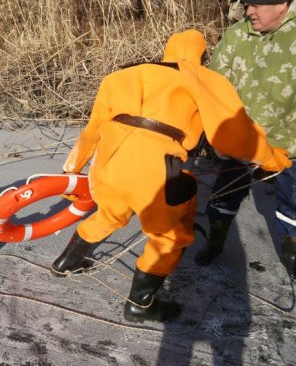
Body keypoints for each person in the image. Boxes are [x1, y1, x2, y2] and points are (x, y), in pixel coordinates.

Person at [49, 29, 292, 323]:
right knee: (169, 236)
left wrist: (71, 170)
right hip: (156, 166)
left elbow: (93, 128)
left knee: (110, 213)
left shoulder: (122, 75)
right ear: (202, 56)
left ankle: (67, 261)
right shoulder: (202, 77)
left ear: (167, 50)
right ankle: (142, 302)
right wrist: (270, 157)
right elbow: (231, 134)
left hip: (109, 161)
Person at [194, 0, 296, 277]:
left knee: (292, 205)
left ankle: (293, 251)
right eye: (247, 3)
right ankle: (216, 240)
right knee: (223, 198)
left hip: (290, 145)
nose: (247, 10)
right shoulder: (236, 36)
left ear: (282, 3)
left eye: (256, 4)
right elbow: (213, 85)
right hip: (242, 142)